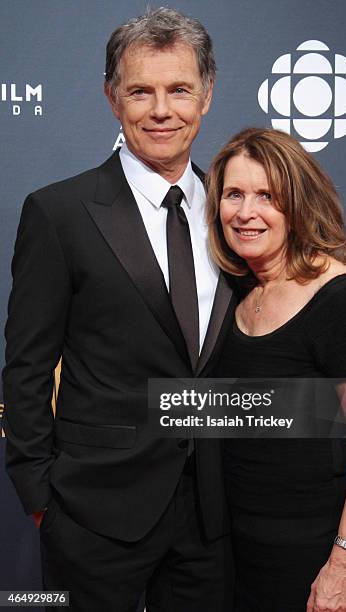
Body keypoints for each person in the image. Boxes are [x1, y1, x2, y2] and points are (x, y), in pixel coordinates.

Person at [2, 8, 235, 612]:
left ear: (207, 95)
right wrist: (39, 498)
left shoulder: (236, 214)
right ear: (112, 98)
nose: (162, 110)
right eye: (141, 91)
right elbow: (27, 368)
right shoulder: (59, 213)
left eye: (180, 89)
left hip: (215, 515)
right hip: (93, 512)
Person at [206, 127, 346, 612]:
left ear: (297, 203)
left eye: (267, 195)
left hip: (315, 561)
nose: (246, 212)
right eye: (234, 194)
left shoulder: (340, 298)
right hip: (240, 555)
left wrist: (342, 566)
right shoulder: (235, 293)